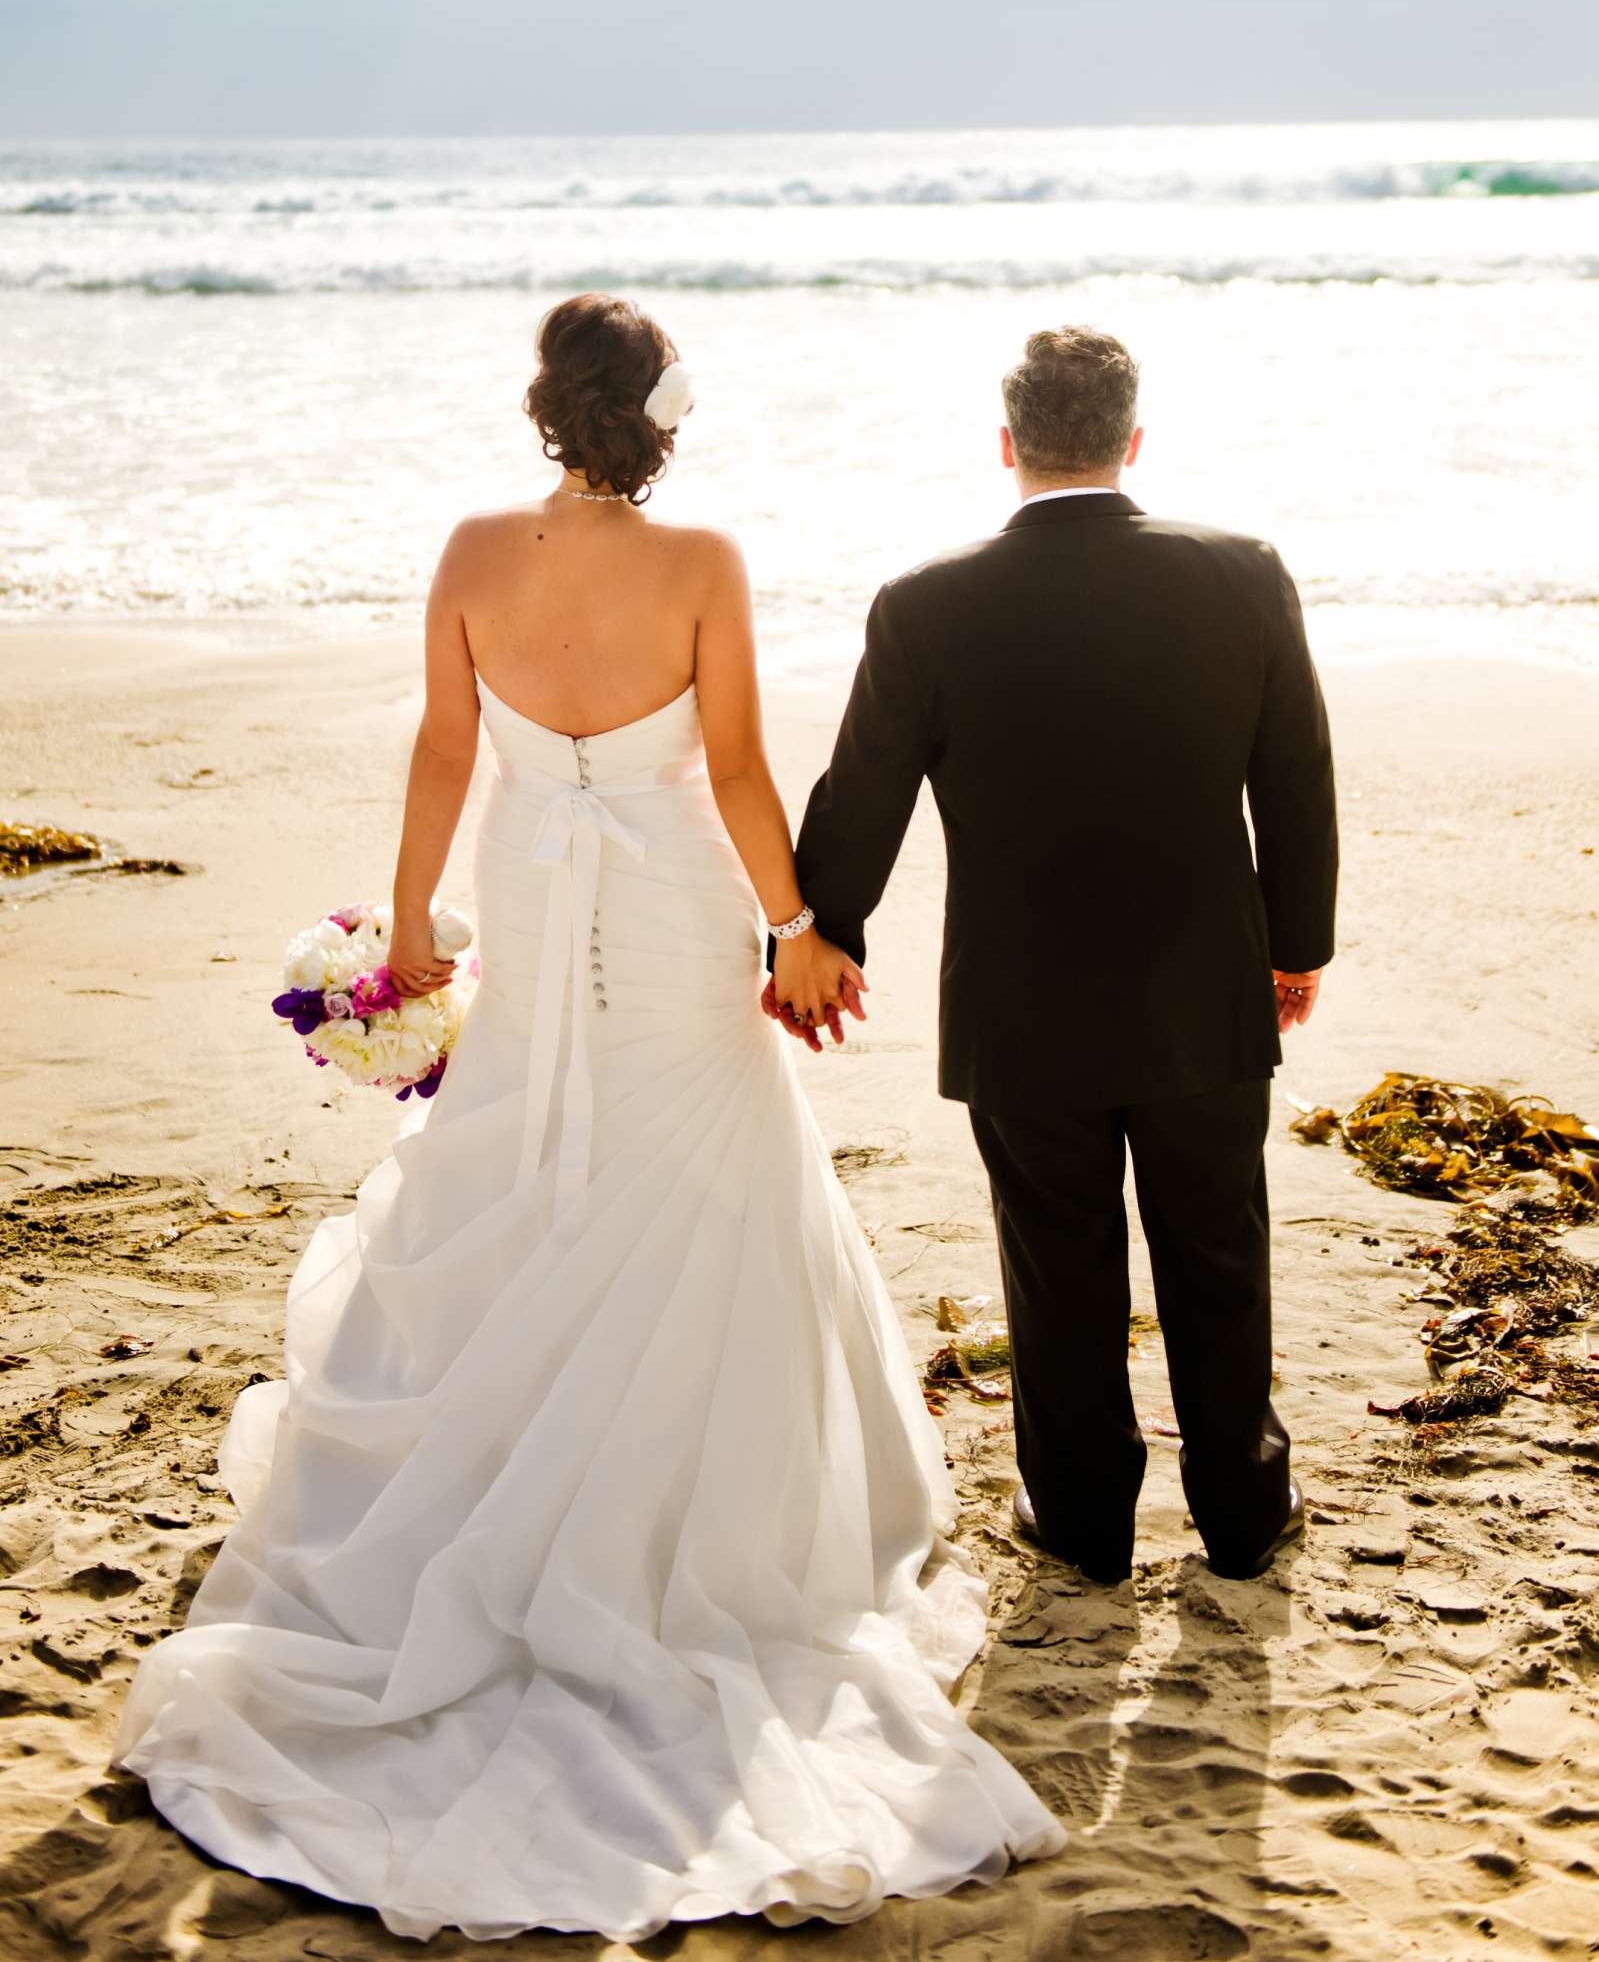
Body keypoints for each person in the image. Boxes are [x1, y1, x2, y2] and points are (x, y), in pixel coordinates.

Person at [109, 293, 1065, 1944]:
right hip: (678, 910)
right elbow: (744, 772)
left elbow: (442, 744)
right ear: (658, 418)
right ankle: (705, 1535)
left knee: (520, 1174)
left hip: (535, 897)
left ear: (547, 409)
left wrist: (407, 923)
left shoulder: (474, 549)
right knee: (702, 1181)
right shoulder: (700, 563)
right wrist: (797, 932)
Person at [774, 324, 1338, 1587]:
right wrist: (1297, 949)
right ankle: (1243, 1511)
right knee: (1217, 1248)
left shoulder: (927, 604)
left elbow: (864, 791)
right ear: (1133, 442)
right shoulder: (1243, 573)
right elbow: (1294, 776)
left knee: (1058, 1263)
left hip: (1022, 1006)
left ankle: (1082, 1519)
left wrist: (816, 938)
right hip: (1205, 989)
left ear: (1009, 444)